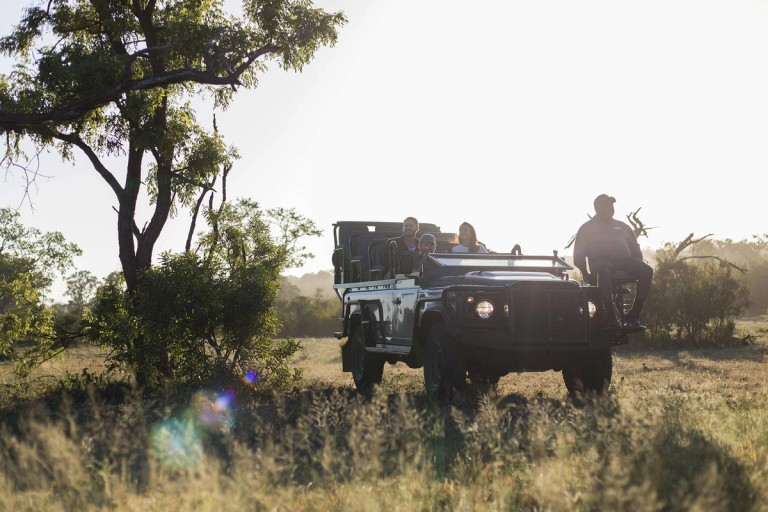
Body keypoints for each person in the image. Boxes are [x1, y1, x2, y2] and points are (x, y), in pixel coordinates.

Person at [573, 194, 654, 328]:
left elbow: (635, 248)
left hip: (625, 262)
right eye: (607, 205)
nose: (611, 208)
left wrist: (637, 262)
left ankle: (634, 314)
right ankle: (611, 316)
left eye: (611, 205)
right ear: (598, 208)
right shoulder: (587, 228)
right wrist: (586, 273)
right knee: (603, 271)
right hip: (601, 262)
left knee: (647, 271)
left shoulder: (623, 226)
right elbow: (579, 254)